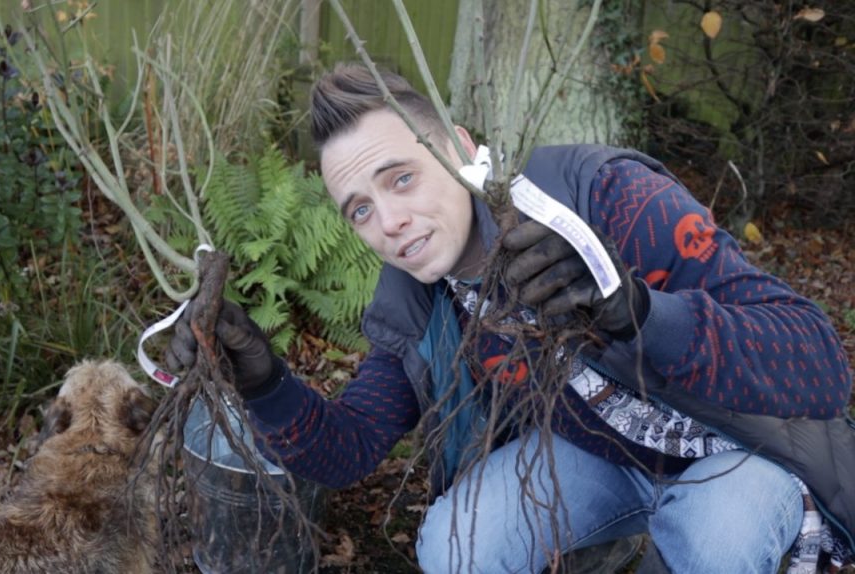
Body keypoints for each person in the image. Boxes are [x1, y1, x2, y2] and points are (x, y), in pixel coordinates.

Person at [165, 63, 855, 573]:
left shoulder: (606, 197)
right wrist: (260, 377)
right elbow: (347, 449)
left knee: (717, 541)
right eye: (360, 210)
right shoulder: (421, 303)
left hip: (738, 449)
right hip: (607, 462)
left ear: (463, 150)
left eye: (401, 178)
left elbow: (821, 367)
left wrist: (639, 312)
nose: (390, 222)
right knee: (455, 544)